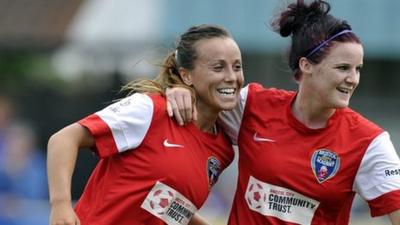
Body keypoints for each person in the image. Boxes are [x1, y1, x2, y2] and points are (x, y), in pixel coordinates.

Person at [165, 1, 400, 224]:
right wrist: (180, 89)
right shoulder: (252, 105)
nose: (353, 79)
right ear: (306, 65)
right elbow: (200, 97)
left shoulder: (370, 143)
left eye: (358, 69)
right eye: (343, 68)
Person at [47, 24, 244, 225]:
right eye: (218, 67)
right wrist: (60, 205)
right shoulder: (151, 110)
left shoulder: (223, 149)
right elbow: (63, 139)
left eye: (237, 67)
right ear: (186, 75)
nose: (231, 77)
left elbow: (164, 203)